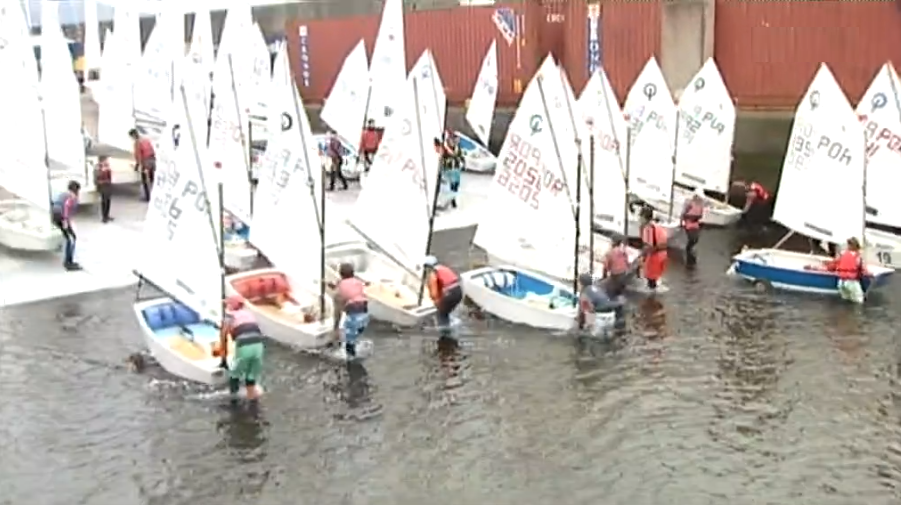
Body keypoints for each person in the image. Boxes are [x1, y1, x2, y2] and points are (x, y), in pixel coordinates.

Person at [215, 295, 265, 402]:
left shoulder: (230, 316)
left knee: (235, 373)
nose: (226, 306)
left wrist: (223, 360)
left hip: (245, 346)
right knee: (251, 373)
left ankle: (233, 398)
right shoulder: (249, 314)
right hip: (259, 345)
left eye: (227, 304)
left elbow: (223, 337)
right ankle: (252, 398)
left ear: (232, 306)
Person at [332, 262, 370, 358]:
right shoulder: (357, 281)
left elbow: (337, 291)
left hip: (353, 309)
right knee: (355, 331)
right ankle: (354, 345)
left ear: (341, 274)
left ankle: (350, 357)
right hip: (364, 309)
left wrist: (335, 327)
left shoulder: (340, 285)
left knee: (349, 340)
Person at [424, 255, 463, 338]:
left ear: (428, 266)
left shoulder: (433, 273)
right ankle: (450, 328)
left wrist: (436, 302)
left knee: (441, 313)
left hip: (451, 293)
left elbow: (434, 292)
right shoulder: (443, 268)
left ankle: (445, 335)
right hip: (459, 291)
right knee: (445, 311)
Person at [823, 237, 868, 304]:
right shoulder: (857, 257)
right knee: (860, 303)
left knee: (846, 302)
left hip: (841, 282)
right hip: (852, 283)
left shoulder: (843, 255)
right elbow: (860, 268)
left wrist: (826, 264)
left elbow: (833, 265)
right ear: (857, 246)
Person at [51, 180, 81, 271]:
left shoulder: (63, 194)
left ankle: (68, 260)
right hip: (61, 218)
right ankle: (68, 263)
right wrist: (65, 221)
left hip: (56, 216)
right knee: (71, 239)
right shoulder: (71, 197)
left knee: (69, 238)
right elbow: (66, 207)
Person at [639, 206, 668, 291]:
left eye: (641, 216)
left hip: (655, 256)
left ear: (644, 217)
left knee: (650, 279)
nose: (639, 218)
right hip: (662, 255)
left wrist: (642, 257)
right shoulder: (656, 226)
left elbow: (649, 246)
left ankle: (652, 299)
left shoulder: (648, 229)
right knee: (654, 278)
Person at [129, 128, 156, 201]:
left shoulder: (137, 143)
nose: (132, 138)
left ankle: (148, 198)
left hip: (146, 163)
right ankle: (154, 195)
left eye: (131, 137)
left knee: (145, 180)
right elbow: (152, 150)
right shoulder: (146, 140)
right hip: (153, 160)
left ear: (133, 135)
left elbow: (138, 155)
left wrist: (137, 166)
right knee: (152, 179)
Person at [681, 188, 705, 266]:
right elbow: (684, 213)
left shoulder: (701, 205)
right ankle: (688, 250)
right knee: (692, 237)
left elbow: (701, 215)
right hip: (688, 222)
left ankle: (690, 249)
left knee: (696, 239)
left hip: (695, 223)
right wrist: (682, 222)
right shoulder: (689, 203)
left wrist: (697, 217)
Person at [439, 134, 464, 208]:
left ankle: (453, 198)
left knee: (456, 185)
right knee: (450, 186)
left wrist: (461, 162)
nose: (457, 141)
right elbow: (443, 158)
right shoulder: (447, 149)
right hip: (449, 169)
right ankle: (451, 200)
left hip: (456, 169)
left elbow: (460, 156)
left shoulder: (458, 148)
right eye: (456, 139)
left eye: (458, 140)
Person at [93, 155, 114, 223]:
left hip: (108, 186)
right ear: (102, 161)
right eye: (106, 160)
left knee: (108, 201)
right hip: (102, 187)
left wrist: (108, 170)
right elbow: (96, 180)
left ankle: (107, 215)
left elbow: (110, 176)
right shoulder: (97, 168)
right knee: (104, 202)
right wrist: (102, 171)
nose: (107, 161)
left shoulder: (107, 166)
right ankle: (104, 217)